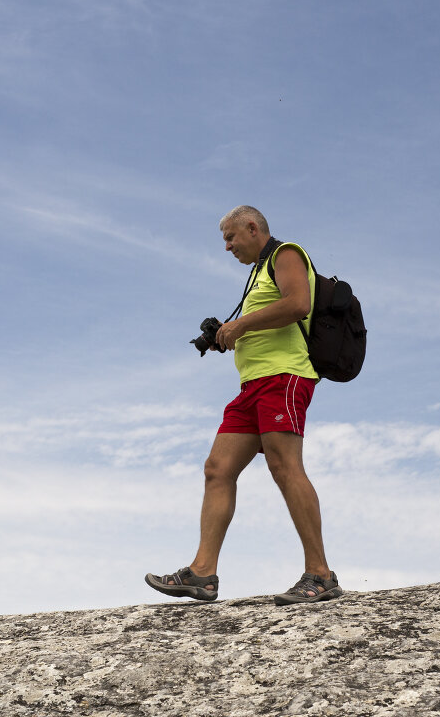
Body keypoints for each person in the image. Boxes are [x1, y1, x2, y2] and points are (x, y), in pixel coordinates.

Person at [145, 205, 342, 606]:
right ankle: (202, 575)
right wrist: (228, 333)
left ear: (252, 228)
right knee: (217, 469)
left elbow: (298, 304)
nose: (228, 247)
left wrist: (241, 325)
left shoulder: (287, 254)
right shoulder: (257, 273)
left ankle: (320, 575)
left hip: (283, 377)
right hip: (251, 386)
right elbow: (268, 315)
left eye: (231, 237)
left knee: (284, 466)